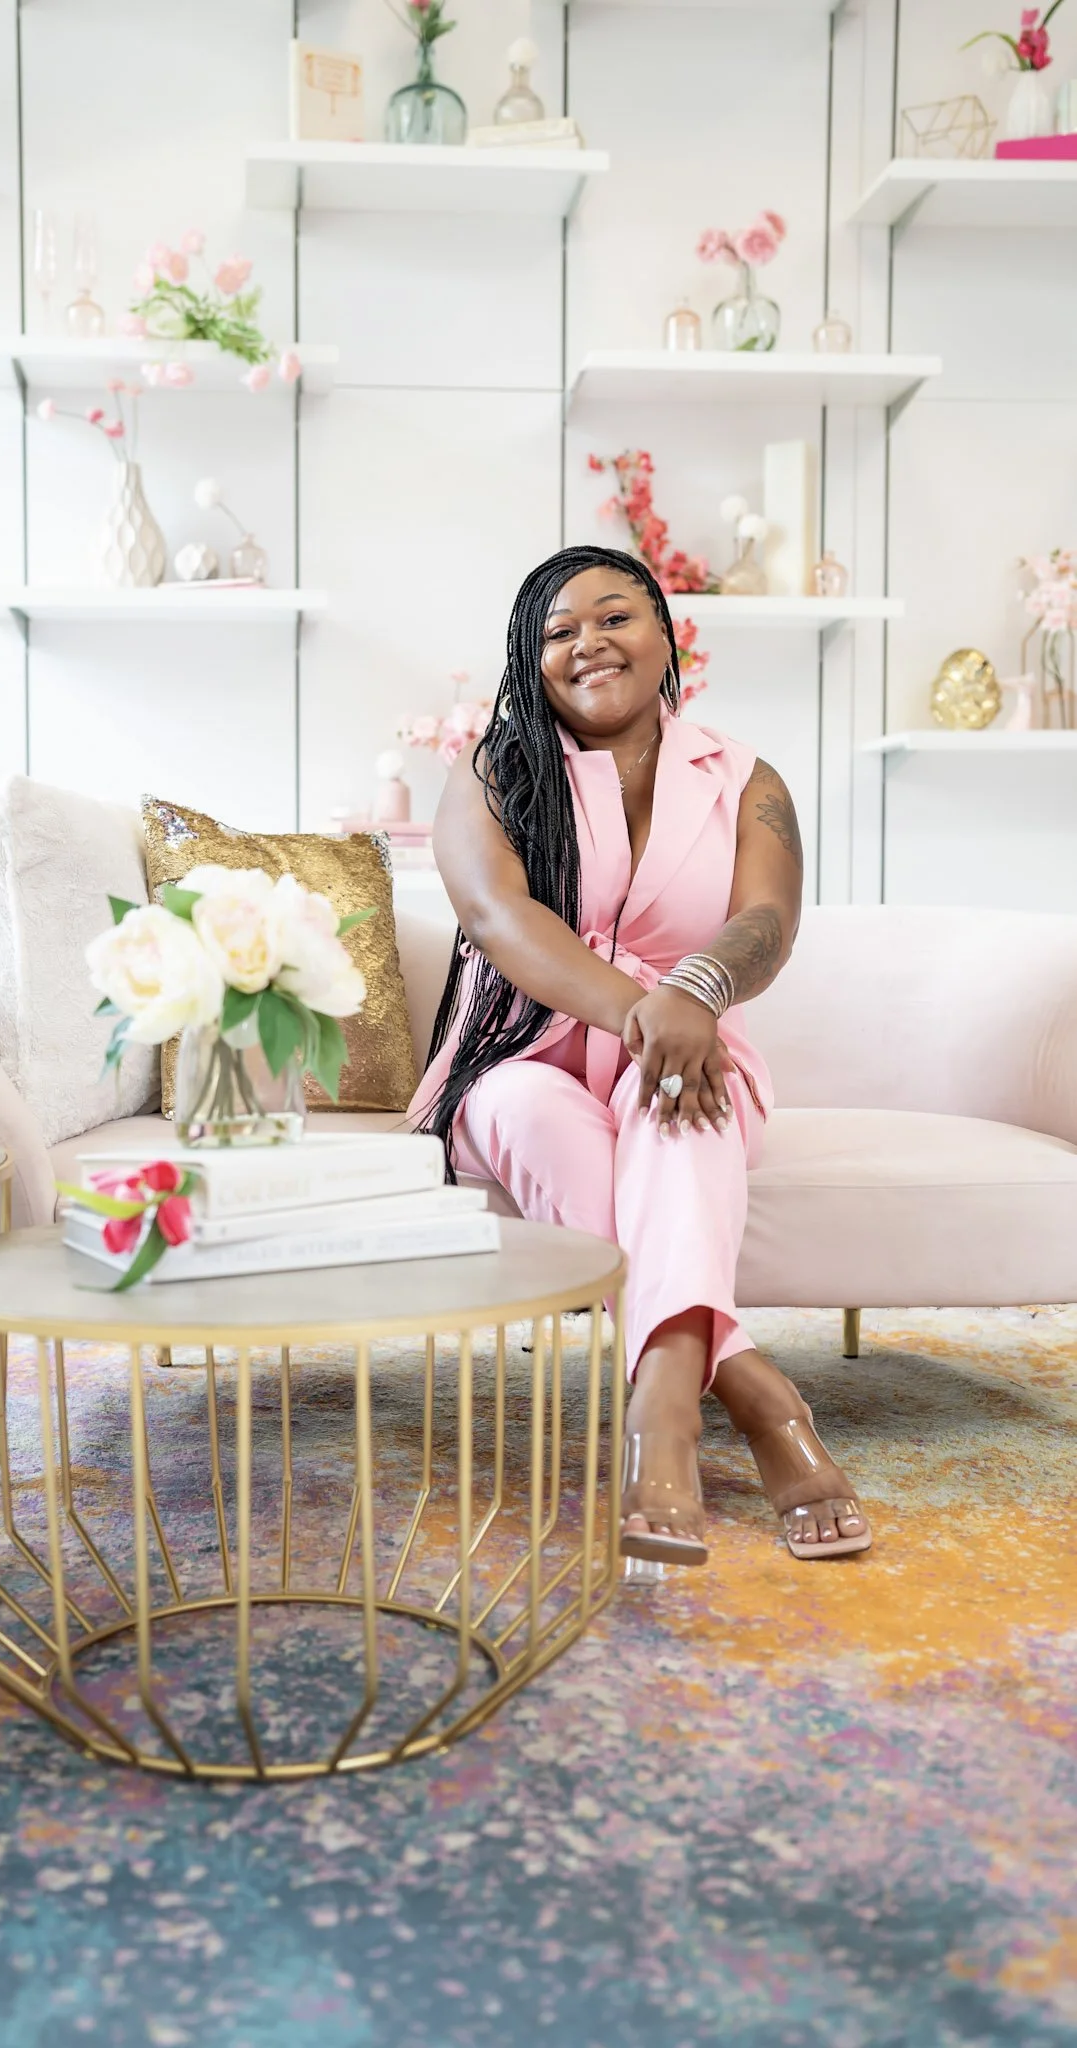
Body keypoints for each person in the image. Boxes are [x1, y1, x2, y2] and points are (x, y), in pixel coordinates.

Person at [409, 545, 871, 1567]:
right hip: (520, 1042)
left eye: (613, 616)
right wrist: (644, 1009)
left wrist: (692, 997)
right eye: (558, 631)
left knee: (678, 1104)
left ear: (667, 634)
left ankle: (659, 1409)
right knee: (527, 1108)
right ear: (533, 664)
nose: (588, 643)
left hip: (691, 1041)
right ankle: (755, 1392)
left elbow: (768, 917)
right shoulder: (495, 768)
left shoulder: (746, 777)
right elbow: (497, 915)